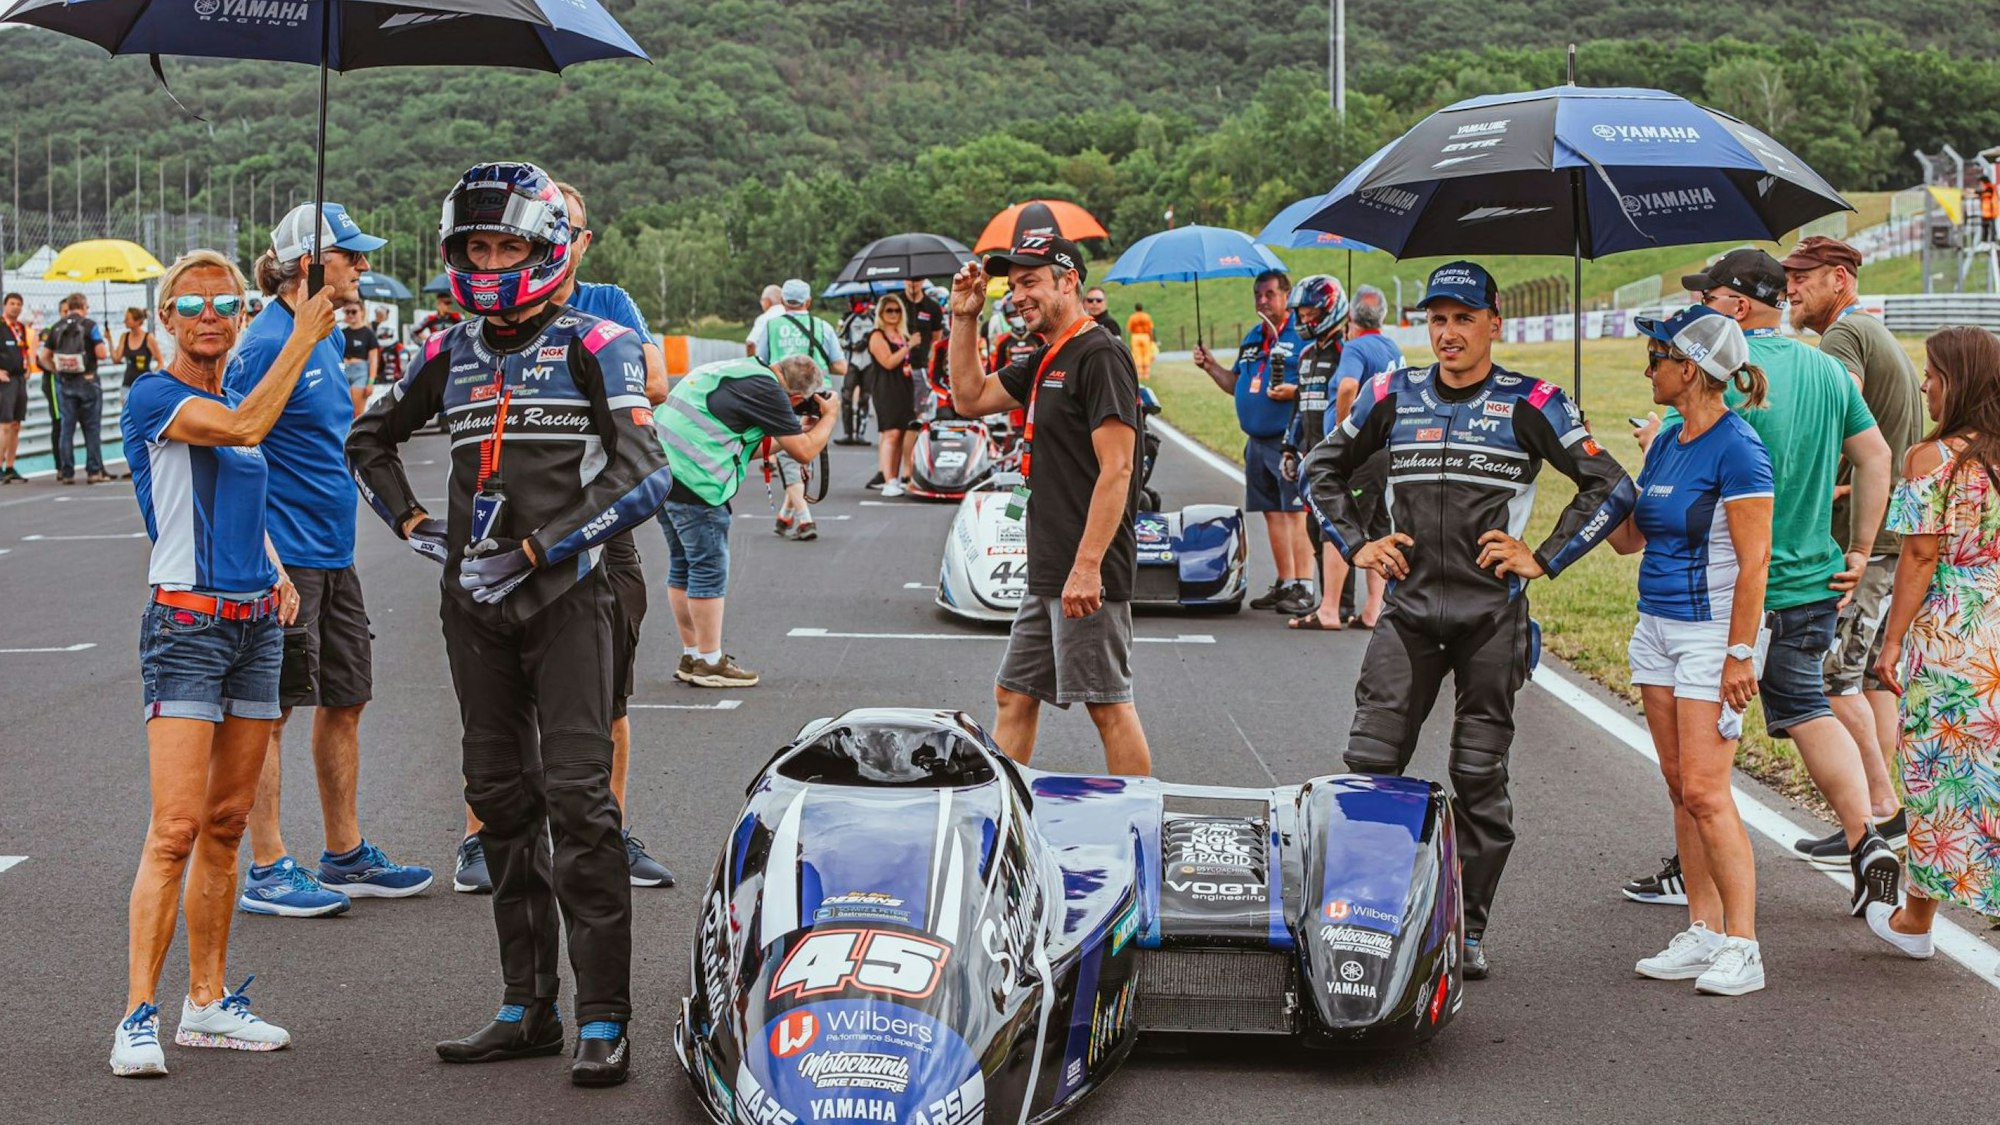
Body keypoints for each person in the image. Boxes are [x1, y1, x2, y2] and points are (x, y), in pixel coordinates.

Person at [347, 162, 674, 1086]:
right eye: (475, 247)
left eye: (508, 246)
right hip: (472, 607)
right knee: (497, 798)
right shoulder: (444, 349)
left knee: (579, 798)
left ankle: (603, 1015)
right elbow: (367, 440)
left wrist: (540, 551)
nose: (491, 262)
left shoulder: (598, 341)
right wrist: (414, 524)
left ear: (548, 249)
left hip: (568, 598)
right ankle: (525, 1005)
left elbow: (645, 472)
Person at [1303, 261, 1637, 979]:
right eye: (1436, 318)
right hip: (1410, 613)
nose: (1448, 332)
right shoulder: (1394, 393)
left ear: (1494, 323)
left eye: (1462, 318)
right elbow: (1320, 468)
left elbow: (1612, 485)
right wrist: (1358, 542)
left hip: (1492, 617)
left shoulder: (1535, 402)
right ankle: (1360, 916)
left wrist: (1543, 557)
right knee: (1369, 768)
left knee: (1477, 777)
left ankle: (1469, 927)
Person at [112, 248, 335, 1077]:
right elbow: (244, 431)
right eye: (193, 302)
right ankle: (138, 1013)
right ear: (166, 318)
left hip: (253, 632)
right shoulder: (155, 397)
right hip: (186, 630)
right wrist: (303, 336)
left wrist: (273, 569)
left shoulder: (234, 395)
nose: (210, 314)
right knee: (173, 830)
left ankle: (205, 1004)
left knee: (228, 824)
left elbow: (241, 480)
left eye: (226, 302)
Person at [1627, 249, 1902, 919]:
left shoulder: (1721, 378)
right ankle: (1870, 831)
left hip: (1731, 587)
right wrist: (1861, 547)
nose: (1699, 311)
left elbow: (1696, 455)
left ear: (1738, 307)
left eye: (1709, 299)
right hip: (1815, 569)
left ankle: (1696, 880)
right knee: (1807, 702)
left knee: (1702, 761)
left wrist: (1648, 446)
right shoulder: (1826, 368)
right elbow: (1876, 456)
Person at [449, 178, 676, 893]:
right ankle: (482, 839)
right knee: (500, 702)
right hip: (514, 520)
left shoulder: (607, 304)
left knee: (607, 692)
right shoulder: (491, 300)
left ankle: (606, 828)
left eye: (573, 229)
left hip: (602, 523)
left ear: (581, 240)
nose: (560, 241)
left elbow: (658, 382)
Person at [229, 203, 434, 921]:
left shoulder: (321, 336)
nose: (364, 266)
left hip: (335, 553)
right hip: (286, 561)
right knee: (272, 712)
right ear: (313, 264)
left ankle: (343, 852)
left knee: (347, 699)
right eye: (352, 255)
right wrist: (269, 561)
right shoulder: (266, 341)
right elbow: (234, 447)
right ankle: (267, 865)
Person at [1607, 307, 1776, 996]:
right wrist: (1602, 470)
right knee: (1680, 786)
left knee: (1708, 791)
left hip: (1713, 636)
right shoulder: (1669, 439)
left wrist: (1741, 652)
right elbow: (1628, 540)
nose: (1647, 369)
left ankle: (1744, 944)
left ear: (1692, 368)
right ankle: (1703, 928)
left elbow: (1755, 560)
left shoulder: (1739, 447)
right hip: (1656, 628)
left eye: (1656, 355)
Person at [944, 234, 1151, 776]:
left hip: (1086, 567)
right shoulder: (1047, 357)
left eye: (1030, 282)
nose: (1018, 296)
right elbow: (969, 397)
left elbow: (1120, 469)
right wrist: (963, 319)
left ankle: (1139, 830)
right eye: (1012, 286)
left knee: (1107, 704)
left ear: (1068, 281)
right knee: (1014, 695)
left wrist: (1087, 567)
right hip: (1050, 566)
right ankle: (1000, 815)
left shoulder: (1100, 354)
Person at [1782, 235, 1922, 865]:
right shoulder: (1870, 329)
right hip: (1897, 532)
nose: (1789, 289)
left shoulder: (1842, 340)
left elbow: (1834, 418)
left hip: (1865, 537)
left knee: (1833, 676)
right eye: (1785, 278)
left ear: (1839, 279)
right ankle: (1884, 810)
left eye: (1801, 278)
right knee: (1868, 678)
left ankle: (1877, 814)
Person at [1866, 325, 2000, 958]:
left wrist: (1890, 643)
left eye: (1933, 374)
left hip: (1955, 635)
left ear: (1960, 381)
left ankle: (1917, 920)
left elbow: (1919, 558)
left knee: (1936, 776)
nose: (1924, 384)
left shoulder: (1934, 458)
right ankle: (1922, 916)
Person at [655, 355, 839, 688]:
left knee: (682, 566)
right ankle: (710, 662)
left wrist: (790, 434)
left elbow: (734, 443)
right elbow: (805, 453)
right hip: (697, 483)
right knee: (708, 568)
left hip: (662, 473)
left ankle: (693, 655)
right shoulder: (769, 392)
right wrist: (830, 417)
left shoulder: (740, 370)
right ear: (797, 398)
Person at [1193, 270, 1314, 616]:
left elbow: (1324, 384)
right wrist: (1211, 366)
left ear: (1287, 296)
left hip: (1288, 439)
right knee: (1273, 514)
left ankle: (1304, 586)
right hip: (1256, 442)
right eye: (1257, 294)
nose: (1262, 300)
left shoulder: (1301, 335)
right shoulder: (1252, 337)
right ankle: (1285, 581)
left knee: (1295, 512)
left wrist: (1295, 392)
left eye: (1270, 294)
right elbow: (1235, 384)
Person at [1277, 274, 1352, 631]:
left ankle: (1343, 605)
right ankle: (1332, 601)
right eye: (1301, 315)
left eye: (1309, 314)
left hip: (1337, 457)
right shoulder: (1306, 355)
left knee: (1337, 530)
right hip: (1308, 453)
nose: (1303, 321)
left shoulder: (1346, 352)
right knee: (1314, 527)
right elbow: (1298, 408)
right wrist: (1290, 448)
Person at [1327, 285, 1403, 628]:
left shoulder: (1355, 347)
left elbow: (1346, 387)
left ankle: (1329, 608)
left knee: (1343, 522)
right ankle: (1374, 608)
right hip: (1387, 450)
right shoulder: (1392, 347)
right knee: (1377, 527)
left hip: (1365, 451)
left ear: (1351, 317)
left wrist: (1345, 433)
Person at [755, 278, 848, 540]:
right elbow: (841, 366)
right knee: (806, 451)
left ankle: (805, 519)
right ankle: (786, 515)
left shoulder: (772, 326)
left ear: (783, 302)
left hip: (782, 395)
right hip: (818, 397)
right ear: (808, 302)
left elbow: (761, 362)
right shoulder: (822, 327)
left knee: (788, 453)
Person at [38, 292, 111, 484]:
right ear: (84, 306)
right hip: (88, 381)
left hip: (65, 383)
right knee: (92, 428)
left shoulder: (57, 326)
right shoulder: (89, 325)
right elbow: (102, 354)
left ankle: (67, 471)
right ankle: (94, 471)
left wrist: (57, 370)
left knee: (66, 429)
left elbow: (43, 357)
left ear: (68, 306)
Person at [866, 293, 920, 496]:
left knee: (902, 433)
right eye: (889, 310)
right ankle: (888, 479)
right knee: (890, 433)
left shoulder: (902, 335)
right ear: (881, 313)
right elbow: (887, 362)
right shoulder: (876, 336)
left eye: (897, 310)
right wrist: (908, 346)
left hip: (904, 388)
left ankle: (895, 478)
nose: (894, 314)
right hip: (886, 388)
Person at [836, 295, 875, 445]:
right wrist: (851, 345)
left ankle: (860, 434)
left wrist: (868, 341)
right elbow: (838, 337)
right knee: (846, 397)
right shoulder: (847, 318)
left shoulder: (874, 318)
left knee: (865, 398)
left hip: (869, 363)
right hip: (852, 362)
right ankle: (848, 433)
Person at [0, 292, 26, 482]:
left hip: (19, 379)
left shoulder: (20, 328)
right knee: (5, 425)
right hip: (5, 380)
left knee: (16, 425)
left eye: (18, 304)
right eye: (12, 303)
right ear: (4, 305)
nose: (15, 307)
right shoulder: (1, 326)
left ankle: (10, 466)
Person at [338, 303, 380, 417]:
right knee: (341, 411)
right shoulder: (341, 332)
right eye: (347, 312)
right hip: (343, 371)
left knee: (356, 413)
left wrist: (371, 382)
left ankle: (355, 435)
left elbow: (374, 360)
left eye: (354, 311)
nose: (350, 315)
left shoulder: (368, 333)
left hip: (360, 372)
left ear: (362, 312)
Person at [117, 307, 161, 389]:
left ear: (137, 321)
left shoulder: (148, 338)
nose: (124, 321)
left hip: (144, 385)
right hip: (127, 384)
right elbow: (116, 359)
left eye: (127, 319)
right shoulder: (124, 337)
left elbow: (160, 361)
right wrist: (109, 340)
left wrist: (154, 378)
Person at [744, 283, 783, 357]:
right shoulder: (791, 315)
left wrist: (753, 364)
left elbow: (750, 344)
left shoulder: (765, 318)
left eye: (762, 300)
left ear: (768, 301)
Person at [1126, 302, 1157, 379]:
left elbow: (1129, 329)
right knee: (1146, 354)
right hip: (1145, 336)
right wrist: (1152, 338)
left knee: (1137, 354)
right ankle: (1146, 374)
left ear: (1135, 309)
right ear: (1142, 308)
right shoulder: (1147, 317)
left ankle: (1139, 373)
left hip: (1135, 336)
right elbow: (1151, 329)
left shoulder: (1132, 317)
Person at [1980, 175, 1997, 245]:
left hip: (1991, 211)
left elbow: (1985, 194)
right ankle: (1985, 241)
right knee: (1985, 226)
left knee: (1991, 227)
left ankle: (1993, 241)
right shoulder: (1987, 188)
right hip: (1986, 212)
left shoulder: (1990, 187)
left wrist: (1974, 192)